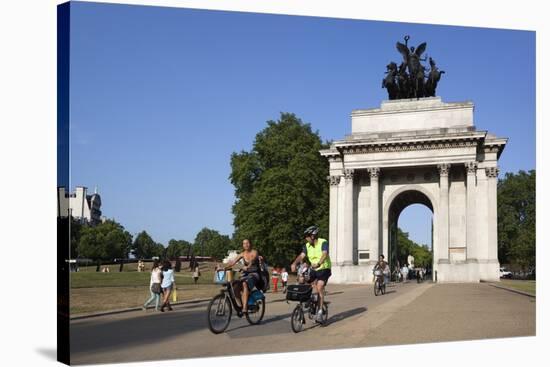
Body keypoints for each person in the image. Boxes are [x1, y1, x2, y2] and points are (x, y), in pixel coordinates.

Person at [291, 225, 331, 322]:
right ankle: (308, 299)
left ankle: (320, 311)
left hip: (324, 269)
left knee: (320, 286)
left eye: (307, 236)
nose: (306, 238)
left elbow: (325, 254)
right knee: (302, 279)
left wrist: (319, 263)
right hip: (313, 269)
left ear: (313, 236)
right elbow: (301, 256)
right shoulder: (307, 246)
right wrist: (294, 263)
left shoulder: (323, 242)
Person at [220, 239, 260, 314]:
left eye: (247, 243)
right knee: (235, 287)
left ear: (250, 244)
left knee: (244, 283)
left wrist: (247, 266)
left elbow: (252, 260)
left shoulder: (254, 252)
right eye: (244, 243)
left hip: (254, 274)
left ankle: (245, 307)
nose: (246, 245)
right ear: (243, 245)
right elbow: (233, 262)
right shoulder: (242, 254)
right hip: (246, 274)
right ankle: (240, 305)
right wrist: (223, 268)